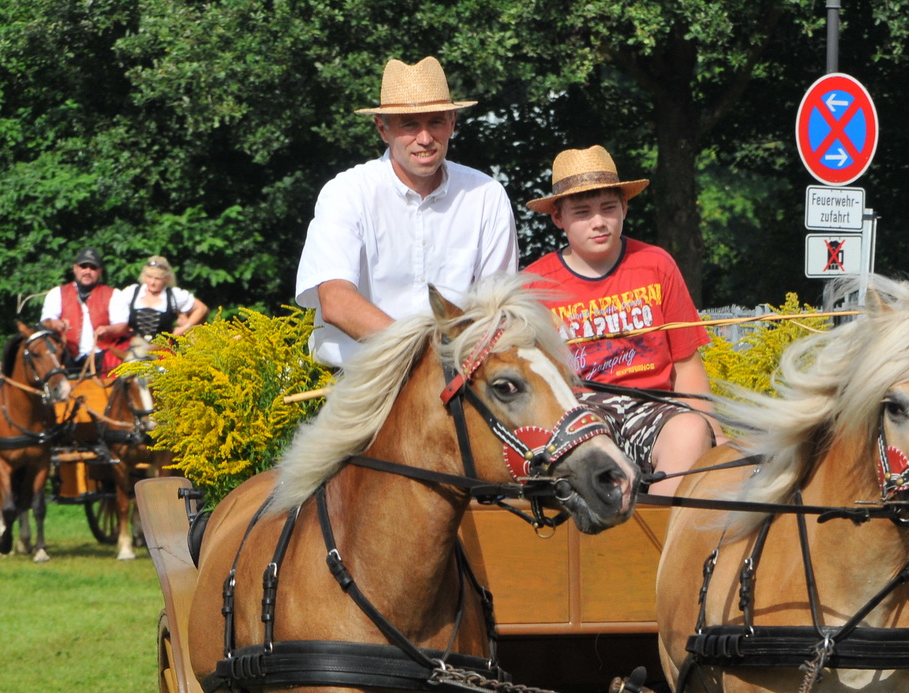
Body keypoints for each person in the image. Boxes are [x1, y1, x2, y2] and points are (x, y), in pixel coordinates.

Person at [295, 56, 517, 367]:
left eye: (435, 122)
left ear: (452, 122)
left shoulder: (486, 195)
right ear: (382, 129)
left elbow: (496, 308)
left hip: (453, 380)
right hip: (356, 377)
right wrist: (422, 355)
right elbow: (335, 300)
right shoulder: (346, 193)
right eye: (410, 124)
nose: (424, 139)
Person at [522, 145, 713, 495]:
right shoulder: (534, 285)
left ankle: (663, 525)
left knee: (691, 430)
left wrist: (714, 431)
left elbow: (687, 365)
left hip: (654, 408)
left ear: (624, 207)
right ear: (558, 218)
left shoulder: (656, 264)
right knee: (585, 444)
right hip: (580, 412)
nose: (598, 222)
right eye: (582, 212)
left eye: (608, 208)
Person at [40, 247, 128, 376]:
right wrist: (56, 324)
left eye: (93, 268)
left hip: (102, 358)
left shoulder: (114, 294)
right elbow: (45, 322)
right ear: (75, 268)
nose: (88, 271)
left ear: (100, 271)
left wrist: (108, 330)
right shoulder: (57, 293)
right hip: (66, 357)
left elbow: (122, 326)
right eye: (83, 267)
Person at [113, 256, 209, 361]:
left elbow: (202, 309)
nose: (152, 282)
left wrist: (184, 328)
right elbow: (117, 315)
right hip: (135, 347)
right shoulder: (132, 292)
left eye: (157, 278)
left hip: (163, 351)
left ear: (166, 279)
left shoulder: (174, 295)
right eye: (149, 277)